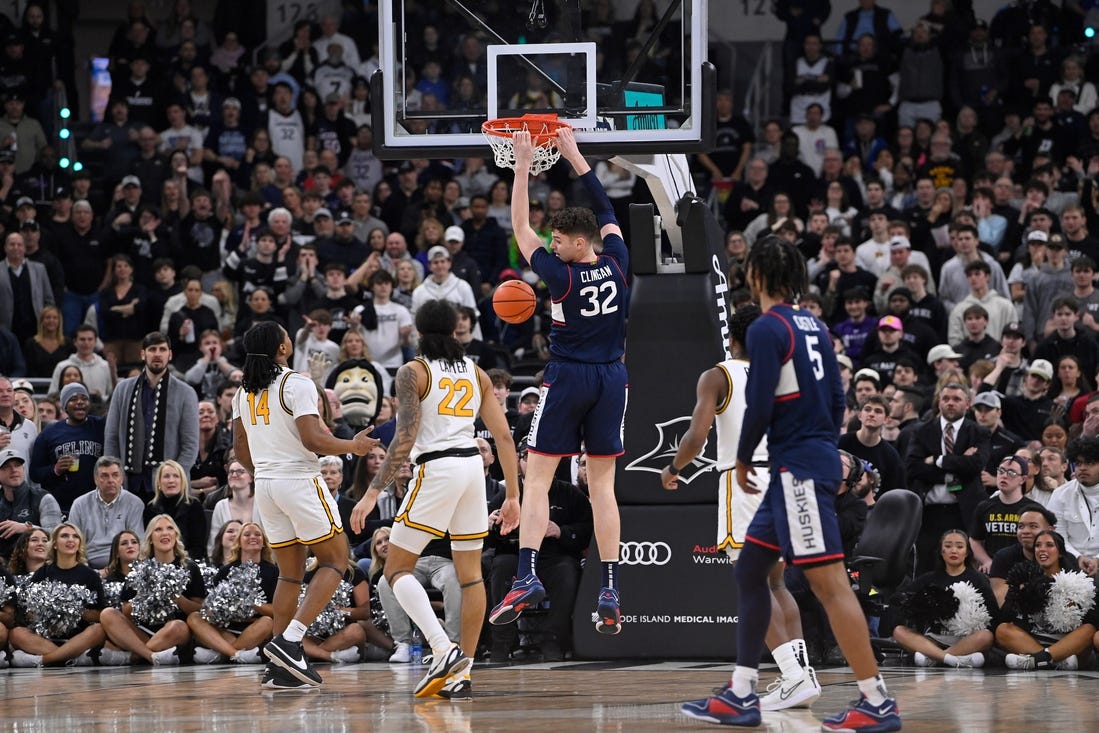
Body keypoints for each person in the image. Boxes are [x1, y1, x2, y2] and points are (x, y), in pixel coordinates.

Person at [679, 235, 899, 731]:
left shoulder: (766, 327)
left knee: (830, 586)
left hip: (796, 468)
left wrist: (741, 458)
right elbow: (839, 399)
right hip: (801, 461)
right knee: (750, 573)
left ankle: (876, 700)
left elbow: (758, 405)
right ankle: (741, 692)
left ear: (756, 276)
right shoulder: (816, 326)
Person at [488, 127, 628, 637]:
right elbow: (607, 209)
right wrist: (574, 156)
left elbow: (520, 225)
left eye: (559, 241)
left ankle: (526, 577)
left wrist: (523, 163)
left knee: (539, 480)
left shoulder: (561, 274)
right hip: (613, 378)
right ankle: (610, 588)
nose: (552, 244)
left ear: (574, 243)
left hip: (568, 377)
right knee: (605, 489)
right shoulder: (617, 261)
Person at [350, 300, 519, 699]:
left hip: (437, 469)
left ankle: (443, 649)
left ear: (420, 334)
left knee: (394, 569)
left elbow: (405, 435)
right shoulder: (477, 373)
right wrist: (512, 494)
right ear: (457, 331)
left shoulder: (414, 371)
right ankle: (463, 671)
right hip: (471, 472)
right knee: (471, 575)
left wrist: (373, 492)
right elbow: (505, 437)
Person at [660, 304, 821, 711]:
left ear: (730, 337)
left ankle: (792, 676)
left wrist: (674, 466)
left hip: (745, 480)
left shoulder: (719, 374)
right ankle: (801, 676)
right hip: (787, 477)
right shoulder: (783, 374)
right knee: (777, 583)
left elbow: (697, 435)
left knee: (753, 585)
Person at [231, 320, 377, 690]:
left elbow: (240, 450)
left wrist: (265, 471)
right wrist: (352, 447)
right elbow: (312, 438)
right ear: (281, 348)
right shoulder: (295, 382)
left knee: (289, 575)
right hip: (298, 479)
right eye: (285, 334)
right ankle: (290, 641)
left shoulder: (242, 393)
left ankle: (281, 667)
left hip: (265, 484)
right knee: (336, 560)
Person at [98, 514, 207, 666]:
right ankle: (151, 655)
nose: (164, 533)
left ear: (175, 535)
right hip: (142, 631)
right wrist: (144, 596)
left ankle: (133, 657)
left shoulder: (189, 567)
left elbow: (199, 609)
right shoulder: (138, 569)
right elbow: (126, 611)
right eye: (158, 529)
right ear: (150, 538)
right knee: (108, 614)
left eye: (170, 528)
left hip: (173, 633)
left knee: (178, 626)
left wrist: (178, 599)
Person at [104, 332, 199, 501]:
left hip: (169, 488)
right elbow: (111, 438)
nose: (157, 354)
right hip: (129, 482)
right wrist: (115, 475)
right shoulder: (122, 389)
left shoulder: (186, 393)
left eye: (162, 349)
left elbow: (190, 445)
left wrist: (174, 478)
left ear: (170, 355)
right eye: (152, 349)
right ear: (143, 354)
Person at [890, 529, 995, 668]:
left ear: (967, 552)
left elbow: (993, 612)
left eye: (959, 546)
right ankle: (952, 659)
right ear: (941, 551)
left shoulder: (978, 579)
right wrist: (920, 604)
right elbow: (898, 599)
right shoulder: (929, 578)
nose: (953, 551)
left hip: (966, 640)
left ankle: (933, 657)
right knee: (899, 631)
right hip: (933, 639)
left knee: (986, 636)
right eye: (948, 546)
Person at [8, 522, 107, 667]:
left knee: (98, 630)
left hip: (79, 638)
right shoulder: (42, 573)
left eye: (75, 537)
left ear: (79, 544)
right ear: (54, 544)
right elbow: (29, 613)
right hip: (47, 639)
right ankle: (70, 658)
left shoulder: (90, 575)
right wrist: (46, 614)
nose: (70, 540)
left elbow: (100, 614)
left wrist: (73, 612)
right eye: (64, 536)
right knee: (16, 633)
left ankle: (46, 660)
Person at [997, 529, 1098, 670]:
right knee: (1002, 629)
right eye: (1038, 545)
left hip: (1067, 645)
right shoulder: (1022, 577)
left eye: (1049, 545)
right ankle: (1052, 660)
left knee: (1089, 629)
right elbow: (1006, 615)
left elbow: (1091, 620)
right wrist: (1017, 595)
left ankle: (1037, 660)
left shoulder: (1077, 581)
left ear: (1061, 552)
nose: (1042, 549)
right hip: (1031, 641)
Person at [187, 521, 277, 664]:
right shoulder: (224, 571)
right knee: (194, 617)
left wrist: (250, 603)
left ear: (264, 543)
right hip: (226, 630)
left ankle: (221, 654)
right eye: (246, 534)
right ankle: (236, 654)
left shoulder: (273, 571)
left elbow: (277, 611)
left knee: (268, 622)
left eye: (257, 534)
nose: (252, 537)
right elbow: (210, 608)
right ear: (239, 542)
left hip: (255, 628)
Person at [66, 456, 145, 569]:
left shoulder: (135, 503)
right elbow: (73, 543)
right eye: (104, 476)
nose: (110, 480)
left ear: (122, 478)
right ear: (95, 479)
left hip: (123, 567)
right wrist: (88, 572)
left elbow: (136, 545)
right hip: (87, 567)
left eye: (115, 475)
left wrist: (111, 570)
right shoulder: (79, 504)